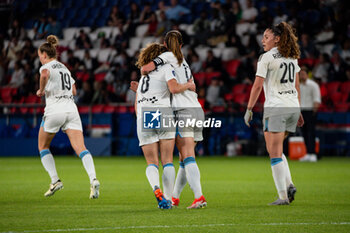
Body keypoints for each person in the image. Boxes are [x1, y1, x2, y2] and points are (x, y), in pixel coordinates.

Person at [141, 30, 207, 209]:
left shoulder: (167, 57)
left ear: (164, 45)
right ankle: (175, 197)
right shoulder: (184, 62)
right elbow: (191, 85)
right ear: (181, 45)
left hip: (181, 110)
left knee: (187, 155)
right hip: (196, 108)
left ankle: (199, 196)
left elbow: (145, 68)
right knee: (184, 158)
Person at [244, 22, 304, 205]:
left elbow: (257, 85)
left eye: (267, 37)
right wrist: (299, 110)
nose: (263, 40)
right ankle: (289, 184)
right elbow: (297, 85)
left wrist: (248, 109)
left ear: (277, 39)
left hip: (276, 108)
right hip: (291, 107)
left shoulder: (266, 57)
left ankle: (283, 196)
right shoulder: (292, 57)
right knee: (274, 149)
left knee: (274, 153)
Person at [36, 35, 100, 198]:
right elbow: (74, 91)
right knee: (81, 148)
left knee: (43, 146)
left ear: (44, 54)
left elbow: (44, 75)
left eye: (39, 56)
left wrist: (42, 90)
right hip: (71, 109)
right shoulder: (64, 68)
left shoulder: (47, 66)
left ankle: (55, 180)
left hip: (55, 108)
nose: (40, 59)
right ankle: (93, 179)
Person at [299, 67, 321, 162]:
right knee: (304, 133)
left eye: (303, 74)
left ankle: (313, 153)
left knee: (311, 133)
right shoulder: (299, 85)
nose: (302, 76)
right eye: (301, 74)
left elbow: (316, 99)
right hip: (302, 111)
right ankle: (308, 153)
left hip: (311, 111)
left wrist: (314, 112)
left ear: (308, 74)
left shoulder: (313, 85)